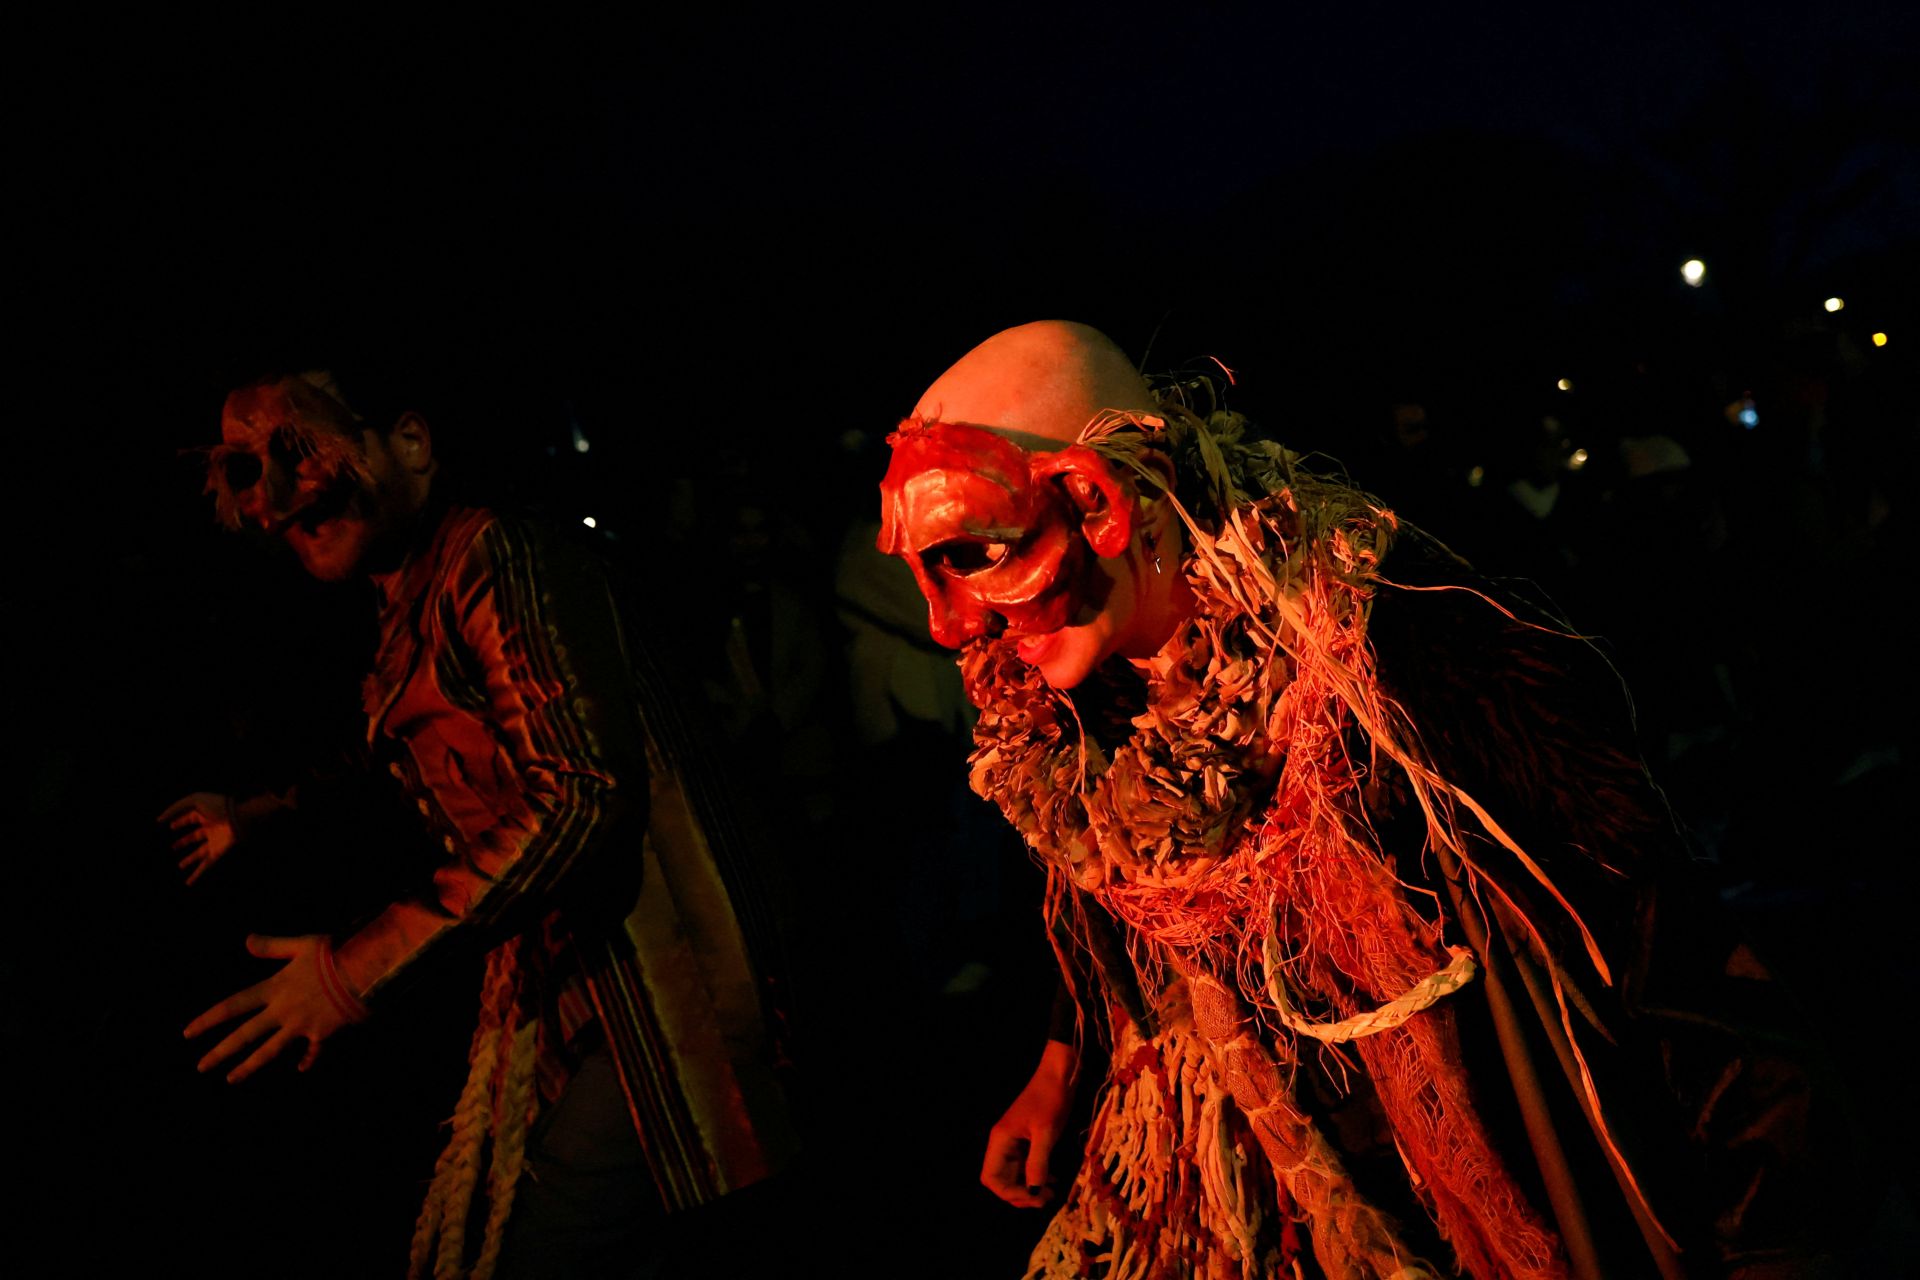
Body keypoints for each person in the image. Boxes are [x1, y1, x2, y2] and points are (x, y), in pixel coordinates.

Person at [876, 321, 1844, 1278]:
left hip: (1468, 1191)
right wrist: (1064, 1059)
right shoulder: (1078, 711)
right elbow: (1122, 900)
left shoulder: (1402, 664)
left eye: (975, 554)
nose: (951, 625)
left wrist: (1771, 1236)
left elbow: (1667, 956)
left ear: (1096, 503)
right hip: (1269, 1186)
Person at [163, 370, 795, 1279]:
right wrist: (255, 816)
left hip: (669, 986)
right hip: (590, 987)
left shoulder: (498, 556)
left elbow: (576, 794)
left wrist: (351, 972)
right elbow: (399, 756)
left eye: (299, 449)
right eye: (241, 467)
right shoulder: (414, 595)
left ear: (409, 445)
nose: (271, 494)